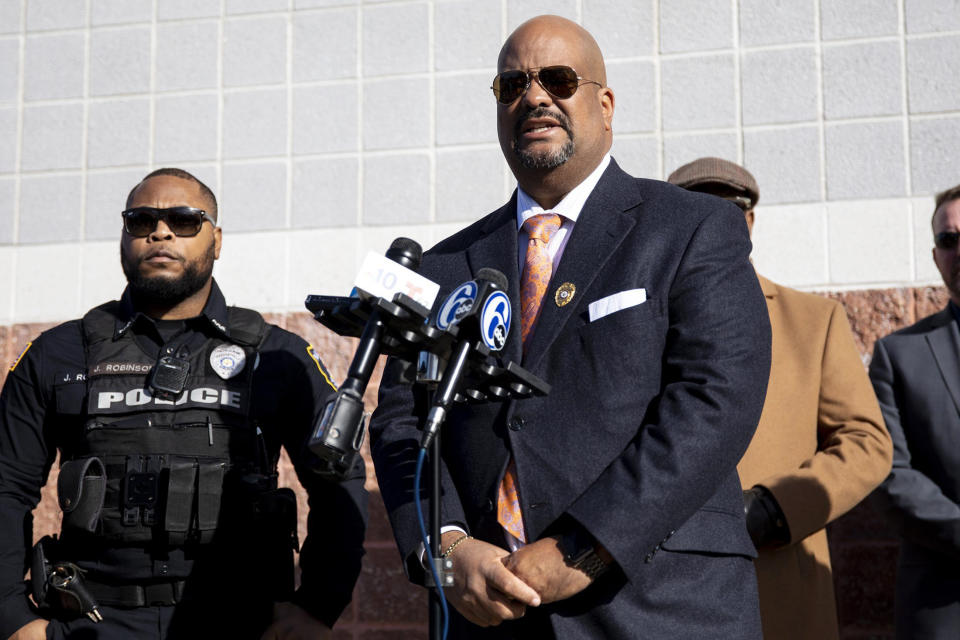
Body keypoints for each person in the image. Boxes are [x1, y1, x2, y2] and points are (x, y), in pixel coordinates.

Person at [369, 15, 772, 639]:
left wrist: (586, 546)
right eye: (512, 85)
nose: (534, 96)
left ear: (604, 105)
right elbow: (402, 419)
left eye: (557, 79)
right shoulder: (444, 265)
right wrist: (448, 547)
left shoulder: (690, 228)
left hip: (659, 605)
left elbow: (716, 398)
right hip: (488, 609)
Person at [0, 168, 368, 640]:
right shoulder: (58, 353)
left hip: (240, 621)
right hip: (92, 622)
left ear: (216, 240)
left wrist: (319, 605)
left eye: (184, 220)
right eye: (141, 220)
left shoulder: (276, 355)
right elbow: (7, 486)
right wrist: (12, 616)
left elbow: (338, 477)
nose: (160, 231)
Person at [668, 157, 892, 640]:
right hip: (664, 595)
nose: (711, 220)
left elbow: (867, 443)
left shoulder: (814, 320)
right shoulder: (637, 321)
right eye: (693, 208)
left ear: (750, 222)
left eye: (727, 208)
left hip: (779, 584)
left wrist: (774, 509)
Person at [869, 183, 960, 638]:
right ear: (935, 255)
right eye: (949, 240)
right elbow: (888, 472)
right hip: (944, 604)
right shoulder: (897, 355)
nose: (959, 249)